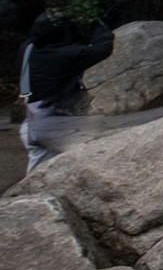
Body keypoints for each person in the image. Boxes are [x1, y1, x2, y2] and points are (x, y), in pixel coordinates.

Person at [18, 12, 113, 169]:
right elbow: (103, 48)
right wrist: (99, 26)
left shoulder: (27, 50)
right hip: (57, 127)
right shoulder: (65, 56)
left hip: (32, 125)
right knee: (104, 147)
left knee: (38, 177)